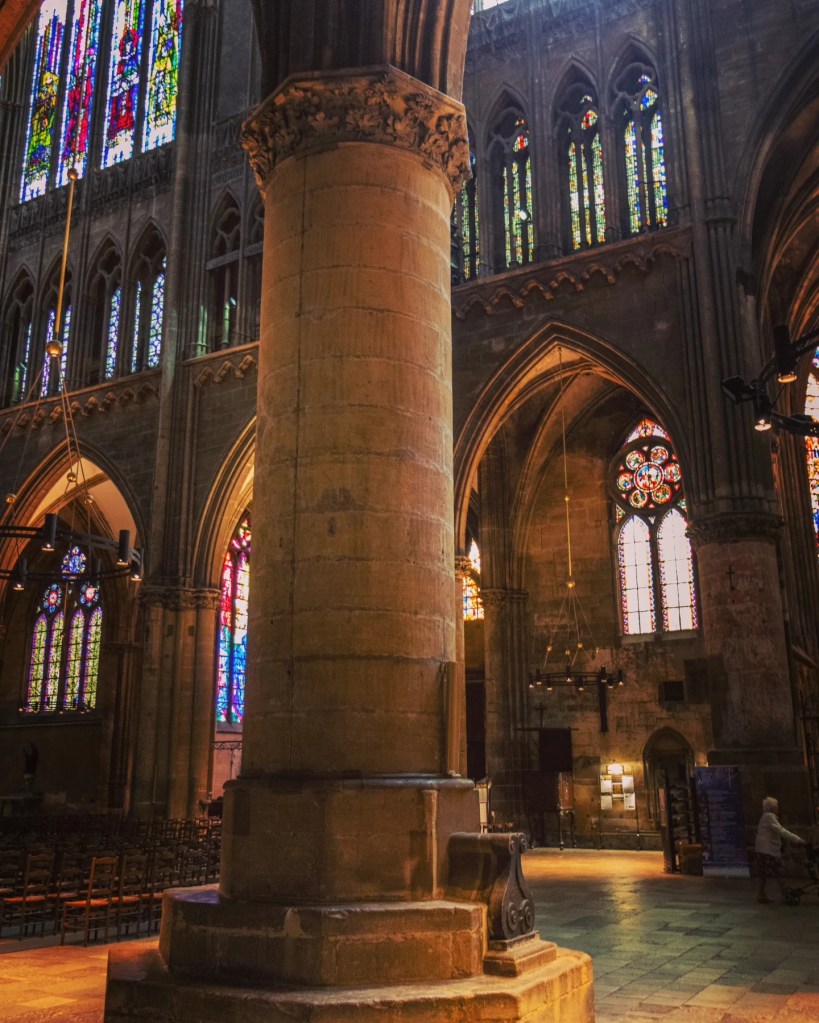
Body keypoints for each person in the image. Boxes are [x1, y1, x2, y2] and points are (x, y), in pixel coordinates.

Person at [754, 796, 807, 903]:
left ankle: (761, 894)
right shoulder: (769, 817)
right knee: (779, 871)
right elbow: (781, 831)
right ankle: (784, 895)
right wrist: (797, 840)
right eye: (776, 806)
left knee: (764, 873)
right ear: (772, 808)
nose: (778, 808)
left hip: (762, 849)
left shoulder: (765, 816)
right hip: (768, 850)